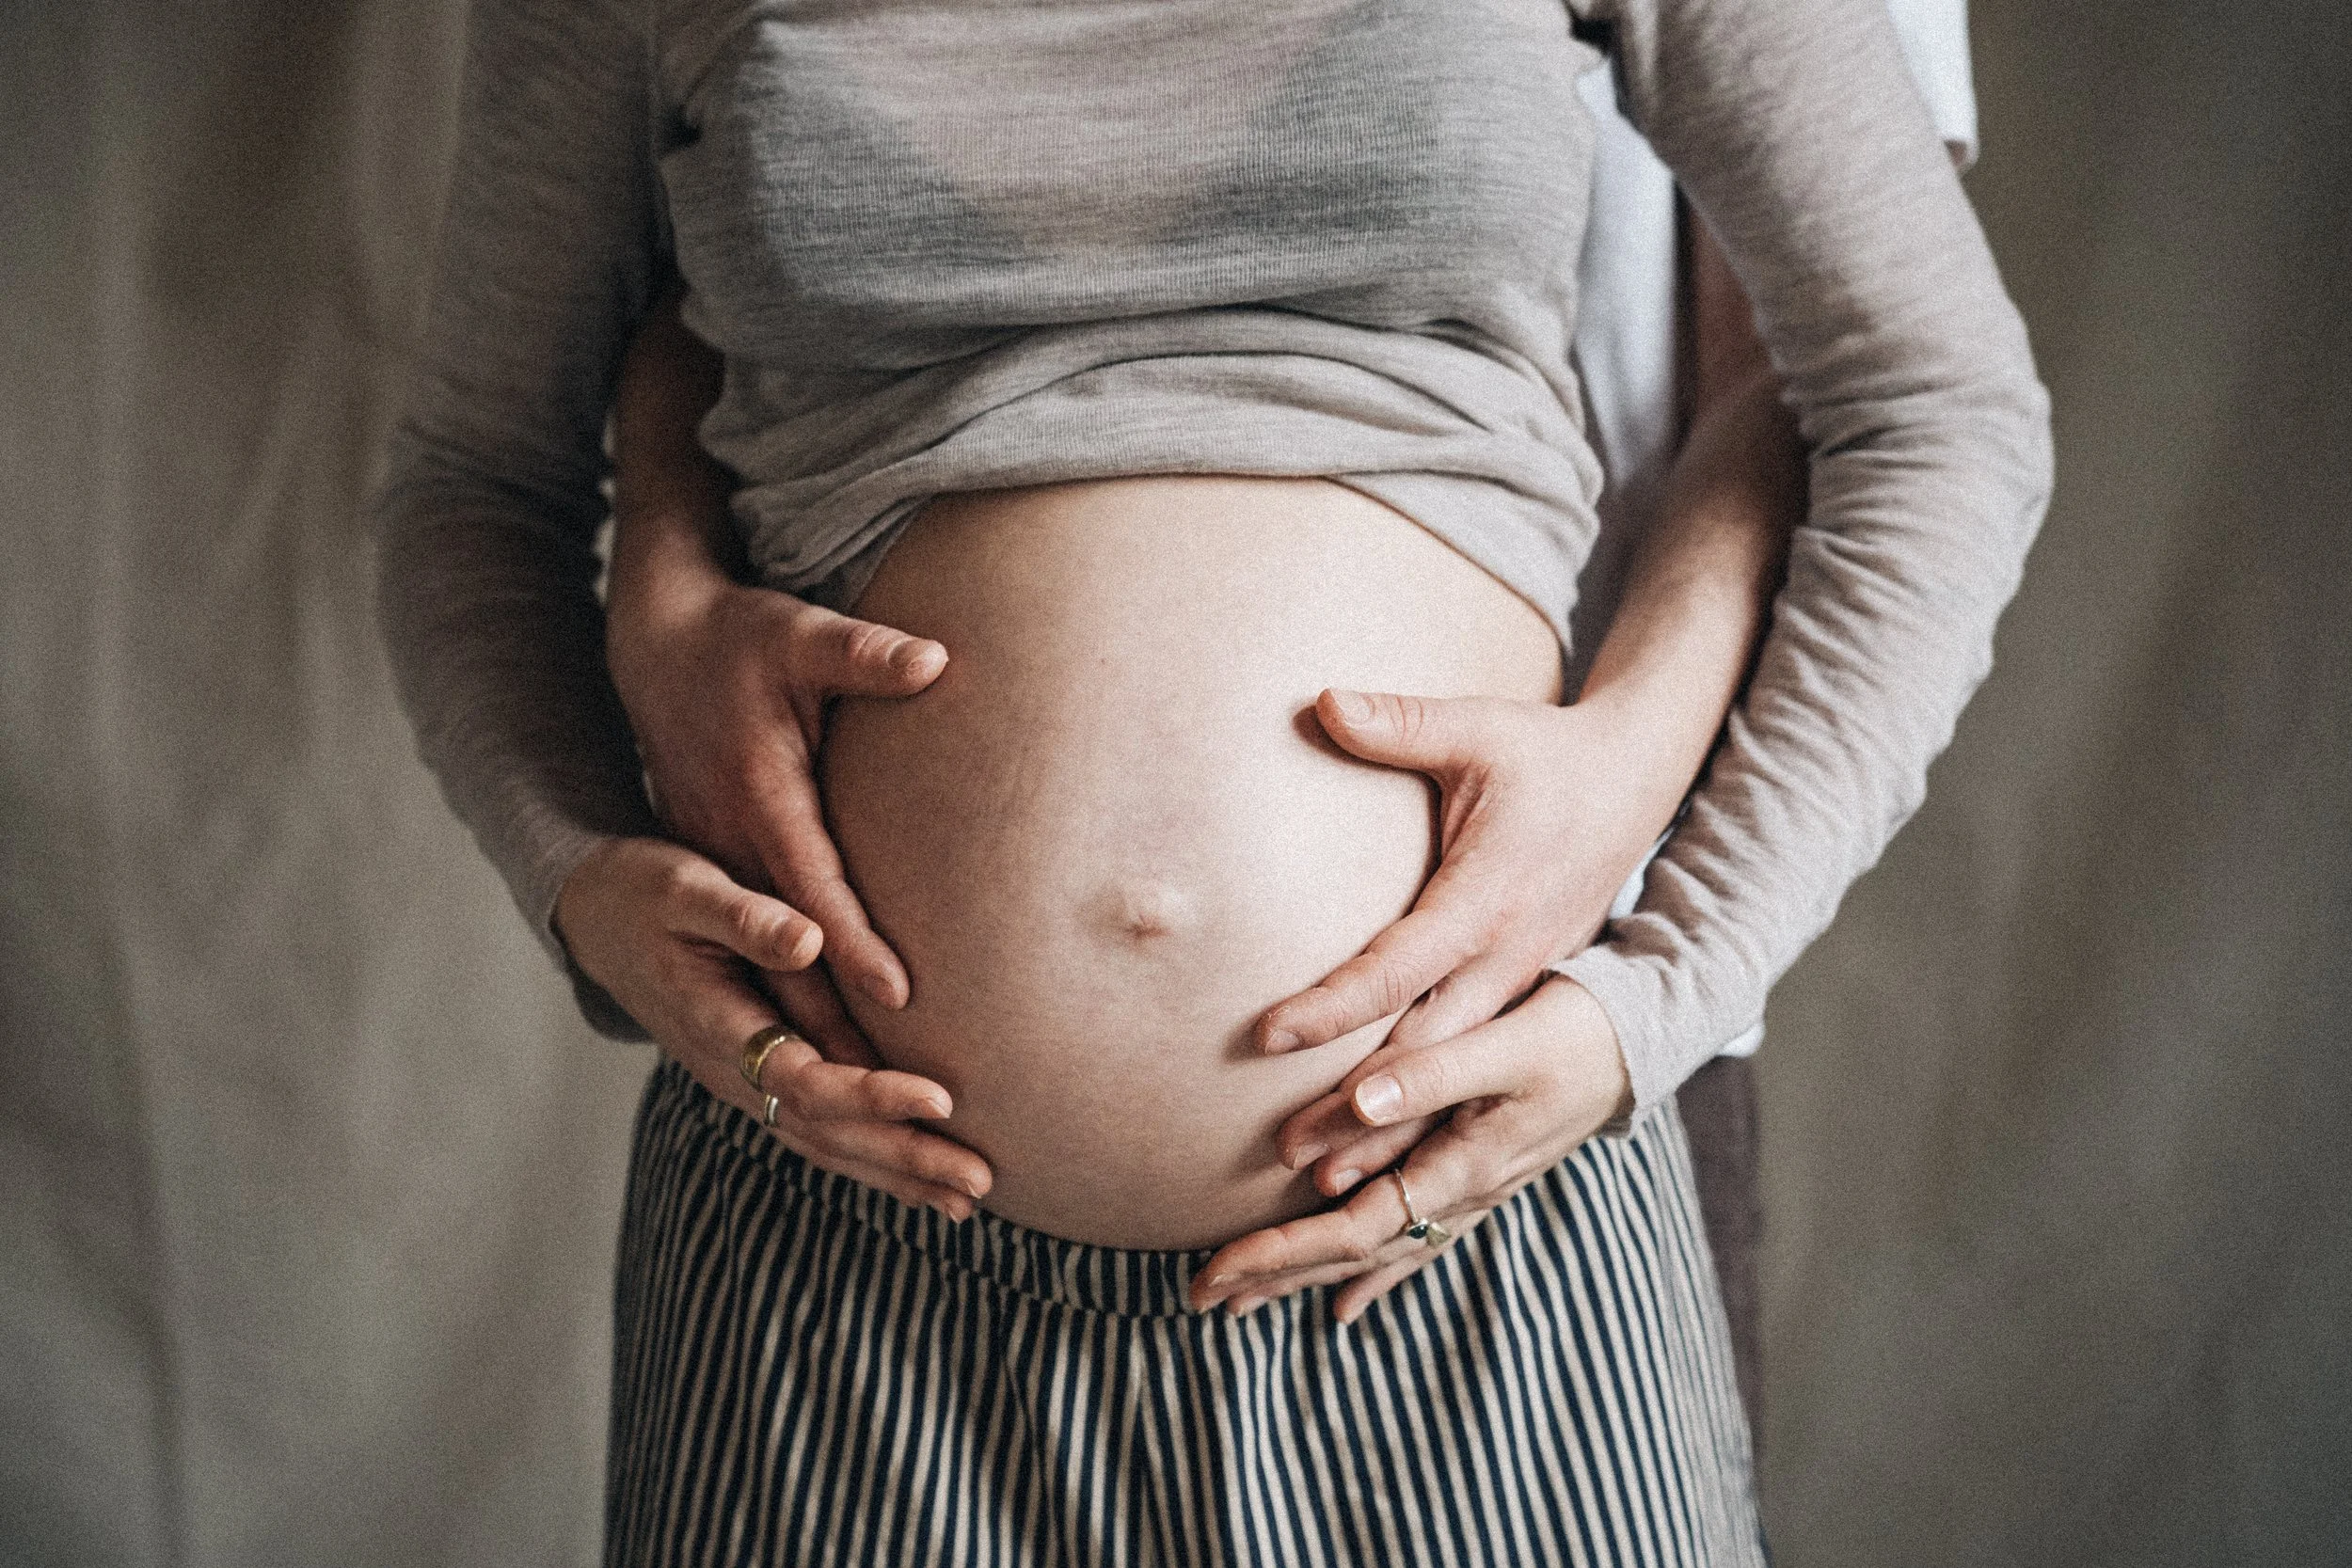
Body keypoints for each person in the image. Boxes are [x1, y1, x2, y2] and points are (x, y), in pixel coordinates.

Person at [375, 0, 2048, 1560]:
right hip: (834, 1236)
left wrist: (1674, 972)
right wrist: (578, 871)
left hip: (1461, 1223)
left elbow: (1928, 402)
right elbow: (477, 483)